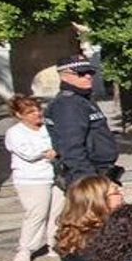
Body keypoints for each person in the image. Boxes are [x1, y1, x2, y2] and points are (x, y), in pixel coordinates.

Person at [4, 94, 62, 261]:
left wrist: (53, 151)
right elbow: (28, 154)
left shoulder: (47, 128)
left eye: (38, 110)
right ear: (19, 114)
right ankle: (25, 250)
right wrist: (48, 150)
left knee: (57, 213)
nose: (36, 114)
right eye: (30, 112)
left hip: (55, 175)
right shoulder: (15, 133)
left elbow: (60, 144)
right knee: (37, 214)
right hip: (32, 179)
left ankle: (55, 245)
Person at [44, 55, 119, 186]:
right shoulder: (67, 104)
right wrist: (89, 181)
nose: (88, 76)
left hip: (101, 171)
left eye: (90, 72)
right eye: (81, 73)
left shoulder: (82, 100)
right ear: (64, 76)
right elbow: (71, 148)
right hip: (87, 176)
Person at [52, 175, 121, 261]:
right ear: (99, 202)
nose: (121, 195)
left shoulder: (79, 232)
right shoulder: (98, 238)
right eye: (116, 192)